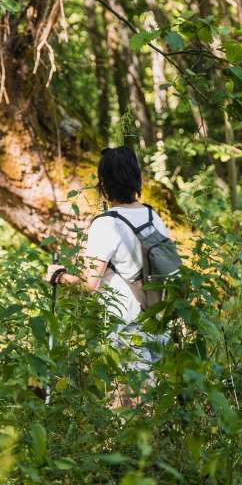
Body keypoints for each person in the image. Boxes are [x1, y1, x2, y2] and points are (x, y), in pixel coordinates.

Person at [45, 145, 173, 404]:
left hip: (127, 329)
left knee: (129, 408)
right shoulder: (153, 216)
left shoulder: (107, 223)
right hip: (159, 322)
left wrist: (58, 276)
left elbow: (88, 284)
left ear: (104, 183)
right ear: (136, 177)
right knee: (157, 404)